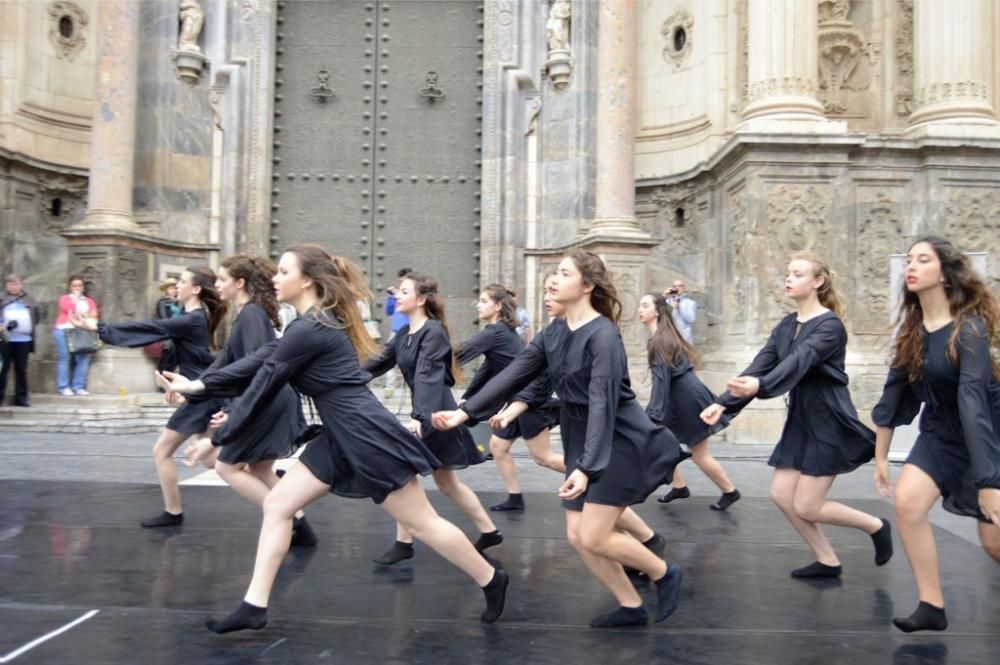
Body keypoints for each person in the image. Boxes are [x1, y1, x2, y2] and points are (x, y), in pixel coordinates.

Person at [156, 245, 508, 632]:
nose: (274, 277)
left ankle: (491, 578)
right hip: (339, 436)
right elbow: (259, 363)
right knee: (277, 505)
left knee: (424, 524)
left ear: (306, 279)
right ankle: (254, 605)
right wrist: (198, 386)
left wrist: (222, 432)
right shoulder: (308, 325)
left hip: (366, 435)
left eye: (284, 270)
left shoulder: (312, 327)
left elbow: (266, 380)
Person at [434, 249, 688, 628]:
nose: (552, 279)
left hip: (617, 439)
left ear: (587, 286)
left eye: (564, 273)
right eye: (554, 272)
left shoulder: (602, 336)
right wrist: (465, 411)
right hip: (581, 434)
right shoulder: (555, 332)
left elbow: (602, 402)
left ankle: (663, 572)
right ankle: (631, 605)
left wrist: (586, 468)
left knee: (595, 535)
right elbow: (517, 373)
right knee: (577, 535)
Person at [701, 254, 893, 579]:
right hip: (802, 418)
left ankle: (876, 525)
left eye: (798, 274)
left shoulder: (830, 326)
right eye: (788, 273)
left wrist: (762, 385)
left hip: (829, 418)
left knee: (807, 505)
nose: (789, 279)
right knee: (780, 494)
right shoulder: (788, 324)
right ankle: (827, 559)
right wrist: (724, 402)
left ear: (818, 281)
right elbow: (762, 363)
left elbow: (801, 359)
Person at [871, 236, 1000, 633]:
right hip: (941, 432)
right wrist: (880, 456)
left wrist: (989, 481)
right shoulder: (913, 331)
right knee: (907, 504)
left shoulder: (970, 329)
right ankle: (932, 605)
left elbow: (974, 403)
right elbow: (893, 394)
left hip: (987, 435)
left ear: (944, 274)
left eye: (922, 260)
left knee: (994, 543)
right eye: (909, 259)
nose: (911, 266)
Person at [362, 272, 502, 566]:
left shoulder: (433, 332)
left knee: (405, 473)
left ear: (421, 299)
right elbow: (377, 363)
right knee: (447, 483)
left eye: (403, 291)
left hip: (436, 414)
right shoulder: (404, 335)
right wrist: (345, 379)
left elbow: (428, 375)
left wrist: (419, 417)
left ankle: (405, 542)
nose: (396, 296)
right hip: (430, 413)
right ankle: (489, 531)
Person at [70, 266, 226, 527]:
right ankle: (263, 472)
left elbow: (151, 327)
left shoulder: (193, 319)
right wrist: (174, 385)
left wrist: (97, 326)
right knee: (212, 460)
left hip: (202, 395)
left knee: (162, 451)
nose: (177, 285)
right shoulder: (194, 317)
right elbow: (184, 354)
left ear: (196, 289)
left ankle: (173, 512)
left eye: (183, 281)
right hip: (200, 392)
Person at [179, 255, 316, 547]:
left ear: (239, 283)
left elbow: (257, 365)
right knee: (260, 469)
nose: (216, 285)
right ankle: (300, 527)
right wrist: (191, 387)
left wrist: (233, 411)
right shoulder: (246, 313)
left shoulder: (252, 314)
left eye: (221, 279)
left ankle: (284, 517)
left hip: (270, 400)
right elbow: (226, 362)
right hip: (271, 398)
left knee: (225, 467)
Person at [637, 293, 740, 510]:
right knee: (664, 444)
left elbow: (662, 381)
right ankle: (679, 486)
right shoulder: (660, 338)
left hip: (687, 399)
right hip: (680, 397)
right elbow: (662, 381)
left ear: (657, 311)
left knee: (699, 454)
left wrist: (653, 414)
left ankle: (730, 491)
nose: (640, 309)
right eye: (640, 305)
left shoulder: (660, 340)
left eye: (645, 305)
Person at [53, 274, 99, 396]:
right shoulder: (64, 298)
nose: (77, 287)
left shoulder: (89, 301)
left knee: (83, 358)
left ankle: (78, 386)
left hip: (82, 331)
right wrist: (76, 300)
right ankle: (64, 387)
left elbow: (93, 315)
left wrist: (85, 314)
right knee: (64, 359)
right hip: (64, 330)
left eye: (79, 285)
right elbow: (69, 309)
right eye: (74, 285)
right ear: (70, 287)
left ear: (83, 287)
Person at [1, 274, 38, 407]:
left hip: (24, 340)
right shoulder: (2, 299)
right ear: (6, 286)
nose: (14, 286)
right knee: (2, 369)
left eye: (16, 284)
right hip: (5, 340)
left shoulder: (29, 300)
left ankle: (21, 397)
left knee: (21, 369)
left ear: (21, 285)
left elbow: (36, 317)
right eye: (11, 284)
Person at [382, 267, 411, 398]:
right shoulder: (397, 297)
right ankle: (389, 388)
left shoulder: (413, 296)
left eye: (404, 281)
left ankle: (413, 387)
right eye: (401, 281)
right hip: (395, 332)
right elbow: (388, 312)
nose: (402, 284)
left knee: (410, 360)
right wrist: (390, 298)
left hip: (410, 331)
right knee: (388, 357)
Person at [152, 278, 182, 375]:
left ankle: (168, 379)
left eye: (175, 288)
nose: (174, 290)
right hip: (167, 334)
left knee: (174, 359)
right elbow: (163, 318)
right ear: (166, 290)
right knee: (166, 358)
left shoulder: (176, 302)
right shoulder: (162, 302)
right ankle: (162, 381)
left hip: (175, 333)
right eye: (171, 288)